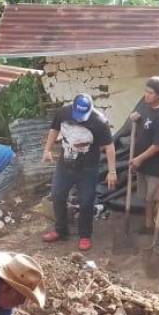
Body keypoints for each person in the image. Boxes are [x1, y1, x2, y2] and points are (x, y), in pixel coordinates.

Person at [42, 94, 117, 252]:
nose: (80, 119)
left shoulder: (99, 121)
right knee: (57, 195)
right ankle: (61, 230)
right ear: (73, 107)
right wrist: (47, 149)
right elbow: (54, 129)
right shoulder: (63, 112)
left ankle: (85, 235)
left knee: (86, 202)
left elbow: (109, 147)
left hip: (88, 169)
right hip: (65, 164)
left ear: (90, 109)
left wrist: (112, 171)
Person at [119, 76, 159, 233]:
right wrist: (134, 119)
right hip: (142, 163)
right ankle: (148, 225)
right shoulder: (145, 104)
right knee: (147, 197)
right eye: (146, 91)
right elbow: (139, 118)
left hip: (157, 165)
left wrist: (138, 158)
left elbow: (158, 145)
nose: (146, 95)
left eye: (150, 93)